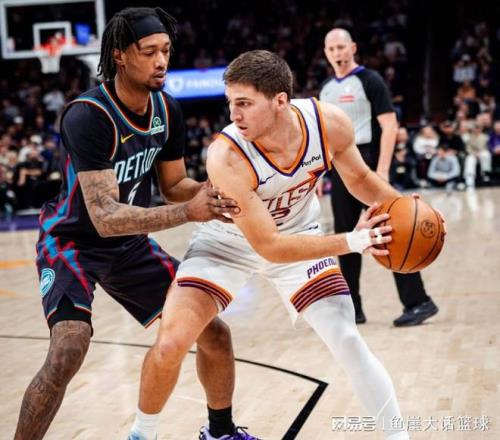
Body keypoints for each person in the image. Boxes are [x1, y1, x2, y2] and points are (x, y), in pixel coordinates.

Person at [129, 50, 411, 440]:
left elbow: (361, 179)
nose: (234, 114)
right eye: (230, 103)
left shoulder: (327, 123)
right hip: (226, 242)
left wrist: (407, 208)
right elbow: (269, 246)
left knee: (347, 339)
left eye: (244, 103)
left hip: (299, 234)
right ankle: (141, 433)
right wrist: (353, 240)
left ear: (280, 100)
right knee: (171, 343)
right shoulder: (226, 155)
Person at [13, 7, 254, 440]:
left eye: (166, 51)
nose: (161, 61)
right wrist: (188, 212)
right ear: (120, 55)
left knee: (213, 332)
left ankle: (220, 432)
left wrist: (214, 192)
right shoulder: (88, 115)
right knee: (69, 347)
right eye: (149, 52)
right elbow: (105, 218)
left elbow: (174, 185)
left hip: (130, 245)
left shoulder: (166, 109)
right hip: (72, 242)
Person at [319, 28, 438, 326]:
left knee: (394, 230)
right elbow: (323, 137)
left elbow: (389, 126)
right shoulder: (325, 89)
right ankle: (352, 309)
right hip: (339, 165)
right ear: (326, 53)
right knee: (347, 238)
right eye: (331, 49)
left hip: (369, 161)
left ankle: (419, 302)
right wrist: (320, 174)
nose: (337, 53)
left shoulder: (370, 80)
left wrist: (382, 170)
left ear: (353, 48)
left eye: (341, 47)